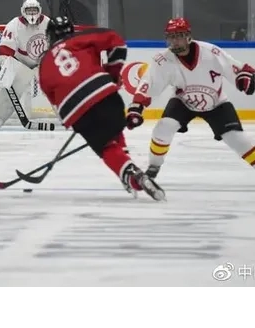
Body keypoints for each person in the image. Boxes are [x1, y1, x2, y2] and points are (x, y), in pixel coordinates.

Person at [126, 17, 255, 186]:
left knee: (236, 138)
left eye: (178, 36)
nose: (174, 41)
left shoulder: (211, 52)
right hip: (183, 101)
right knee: (164, 127)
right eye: (171, 37)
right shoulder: (162, 60)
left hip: (217, 103)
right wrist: (137, 107)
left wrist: (245, 79)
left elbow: (236, 69)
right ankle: (153, 167)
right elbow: (149, 84)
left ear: (188, 36)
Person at [38, 16, 165, 201]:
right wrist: (112, 74)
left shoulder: (43, 63)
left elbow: (52, 97)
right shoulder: (81, 38)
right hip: (104, 93)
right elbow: (117, 42)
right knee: (114, 130)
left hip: (75, 109)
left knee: (106, 147)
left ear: (50, 36)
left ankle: (131, 175)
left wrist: (71, 120)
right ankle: (129, 168)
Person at [0, 0, 51, 130]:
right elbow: (5, 48)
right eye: (29, 10)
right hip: (22, 63)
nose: (32, 14)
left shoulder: (48, 23)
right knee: (10, 90)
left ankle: (71, 115)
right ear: (23, 11)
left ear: (40, 11)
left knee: (56, 87)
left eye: (34, 10)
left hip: (43, 63)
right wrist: (6, 66)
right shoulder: (14, 24)